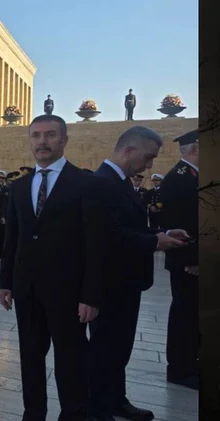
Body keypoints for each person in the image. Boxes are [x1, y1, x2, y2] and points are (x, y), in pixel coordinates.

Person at [0, 114, 104, 421]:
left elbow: (96, 245)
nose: (42, 142)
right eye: (36, 136)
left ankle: (73, 414)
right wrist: (5, 282)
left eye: (50, 135)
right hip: (26, 289)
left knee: (70, 360)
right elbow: (12, 238)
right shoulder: (20, 186)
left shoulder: (85, 184)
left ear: (64, 139)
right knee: (30, 357)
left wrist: (91, 296)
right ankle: (33, 413)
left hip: (69, 293)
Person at [88, 127, 188, 421]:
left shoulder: (119, 182)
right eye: (148, 157)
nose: (149, 165)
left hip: (126, 282)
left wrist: (163, 232)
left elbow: (130, 226)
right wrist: (156, 242)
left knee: (119, 348)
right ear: (129, 151)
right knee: (106, 350)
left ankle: (116, 399)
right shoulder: (101, 183)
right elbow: (109, 236)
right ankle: (98, 409)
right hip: (110, 283)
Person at [159, 129, 200, 390]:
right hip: (188, 261)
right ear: (195, 148)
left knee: (194, 313)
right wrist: (192, 259)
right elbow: (179, 223)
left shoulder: (193, 176)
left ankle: (191, 362)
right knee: (185, 313)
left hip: (196, 259)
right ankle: (180, 368)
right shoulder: (179, 178)